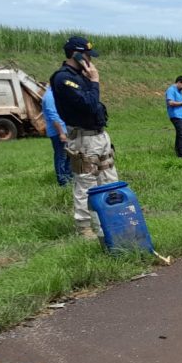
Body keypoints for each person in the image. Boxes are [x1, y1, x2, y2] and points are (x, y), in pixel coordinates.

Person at [50, 36, 120, 238]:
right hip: (83, 138)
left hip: (99, 135)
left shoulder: (81, 76)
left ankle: (111, 218)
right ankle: (85, 226)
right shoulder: (64, 79)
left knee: (108, 176)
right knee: (86, 181)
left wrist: (90, 80)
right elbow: (88, 104)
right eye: (88, 55)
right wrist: (95, 81)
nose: (90, 59)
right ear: (76, 54)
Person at [41, 84, 72, 186]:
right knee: (61, 156)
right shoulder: (49, 97)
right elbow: (53, 116)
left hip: (64, 130)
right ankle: (63, 181)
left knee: (68, 155)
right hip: (57, 132)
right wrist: (61, 133)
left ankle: (69, 177)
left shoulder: (55, 94)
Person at [166, 76, 182, 158]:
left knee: (180, 135)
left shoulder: (180, 92)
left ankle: (178, 153)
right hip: (176, 115)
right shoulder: (171, 90)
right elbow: (171, 103)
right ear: (179, 82)